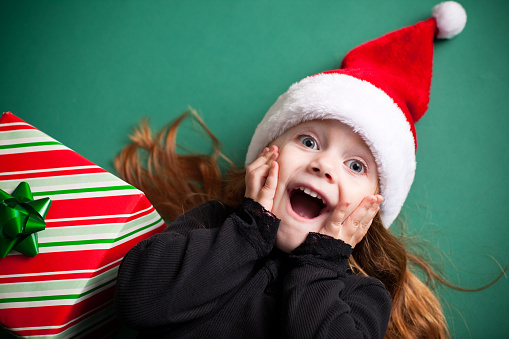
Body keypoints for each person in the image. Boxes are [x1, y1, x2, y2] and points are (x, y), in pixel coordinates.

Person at [114, 2, 469, 338]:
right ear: (266, 158)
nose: (323, 164)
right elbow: (138, 301)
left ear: (372, 208)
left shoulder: (360, 297)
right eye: (309, 142)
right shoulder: (214, 224)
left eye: (356, 165)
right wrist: (248, 230)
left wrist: (321, 261)